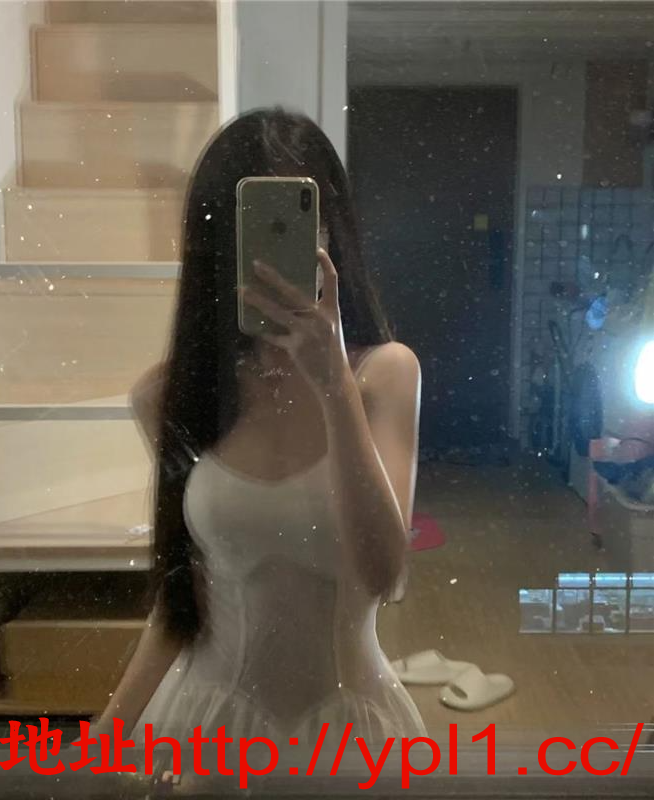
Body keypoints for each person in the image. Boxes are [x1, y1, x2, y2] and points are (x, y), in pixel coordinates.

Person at [92, 107, 426, 782]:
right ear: (216, 242)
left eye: (300, 216)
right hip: (204, 727)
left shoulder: (384, 375)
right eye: (249, 222)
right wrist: (99, 746)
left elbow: (383, 576)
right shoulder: (170, 394)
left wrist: (332, 384)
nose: (276, 246)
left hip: (352, 736)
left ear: (332, 229)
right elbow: (182, 603)